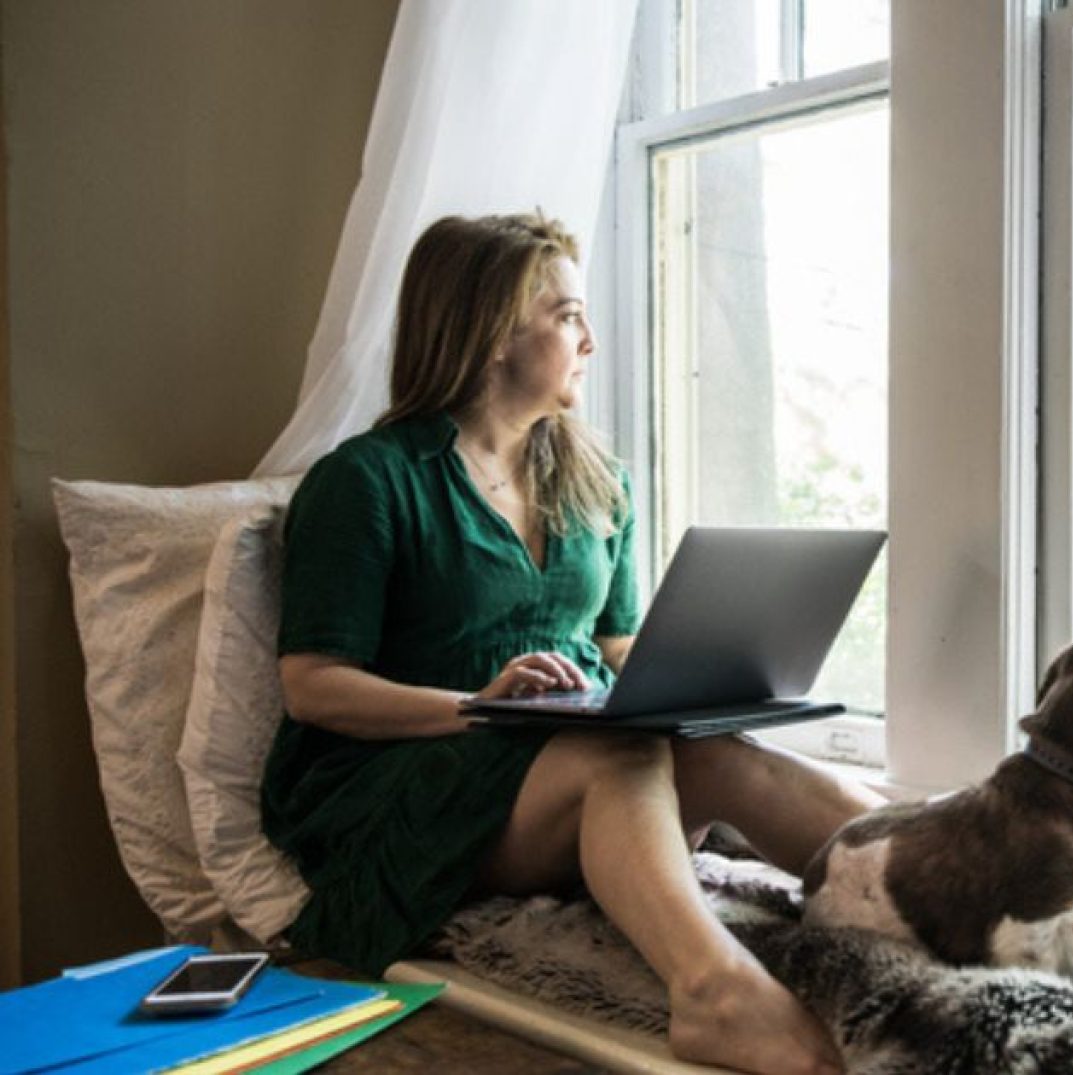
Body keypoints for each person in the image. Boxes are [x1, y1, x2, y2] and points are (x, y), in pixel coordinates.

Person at [260, 211, 878, 1075]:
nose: (588, 339)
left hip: (560, 751)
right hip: (403, 782)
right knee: (615, 757)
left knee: (723, 755)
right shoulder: (367, 482)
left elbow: (618, 644)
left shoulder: (596, 479)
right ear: (490, 333)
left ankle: (953, 888)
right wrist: (478, 706)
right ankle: (712, 991)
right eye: (568, 315)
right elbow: (313, 686)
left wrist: (703, 685)